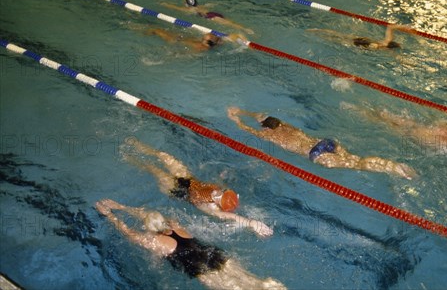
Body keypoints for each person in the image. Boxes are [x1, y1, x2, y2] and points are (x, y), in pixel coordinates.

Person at [95, 199, 286, 289]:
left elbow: (127, 232)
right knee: (253, 281)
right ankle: (271, 285)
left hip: (202, 269)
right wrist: (122, 206)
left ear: (149, 229)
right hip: (215, 254)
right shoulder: (175, 225)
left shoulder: (152, 240)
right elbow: (148, 214)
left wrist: (110, 215)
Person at [121, 137, 273, 237]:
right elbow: (216, 187)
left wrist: (251, 223)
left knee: (153, 169)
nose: (218, 193)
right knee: (164, 155)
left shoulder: (212, 209)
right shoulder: (221, 190)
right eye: (223, 192)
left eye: (219, 197)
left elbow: (230, 216)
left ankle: (130, 159)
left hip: (179, 191)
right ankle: (138, 144)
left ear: (218, 205)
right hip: (189, 180)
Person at [227, 107, 416, 179]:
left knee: (358, 165)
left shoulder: (269, 136)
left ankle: (392, 168)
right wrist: (244, 112)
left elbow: (248, 130)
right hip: (326, 143)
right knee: (356, 159)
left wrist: (236, 120)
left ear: (265, 128)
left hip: (318, 154)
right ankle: (390, 165)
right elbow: (262, 115)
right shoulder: (285, 125)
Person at [343, 103, 447, 167]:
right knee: (381, 112)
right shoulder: (446, 127)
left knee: (379, 120)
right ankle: (360, 109)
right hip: (411, 125)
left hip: (405, 135)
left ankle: (355, 110)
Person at [162, 0, 254, 35]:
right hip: (214, 13)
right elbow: (190, 3)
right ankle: (245, 29)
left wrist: (165, 4)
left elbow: (176, 8)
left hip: (212, 17)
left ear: (187, 5)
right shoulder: (200, 6)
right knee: (231, 23)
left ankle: (246, 29)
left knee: (230, 25)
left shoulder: (190, 10)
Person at [307, 24, 411, 50]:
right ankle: (321, 36)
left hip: (364, 39)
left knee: (339, 35)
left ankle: (318, 30)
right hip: (367, 44)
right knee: (337, 40)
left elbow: (390, 27)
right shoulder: (385, 49)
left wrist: (405, 27)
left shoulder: (388, 40)